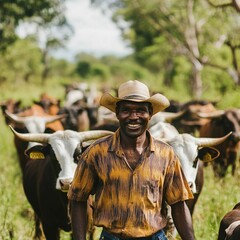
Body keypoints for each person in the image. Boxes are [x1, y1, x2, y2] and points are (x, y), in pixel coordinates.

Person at [68, 80, 195, 240]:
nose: (134, 117)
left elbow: (178, 204)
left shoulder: (166, 154)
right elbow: (77, 198)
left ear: (150, 113)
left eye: (141, 111)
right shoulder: (96, 153)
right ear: (117, 113)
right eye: (126, 110)